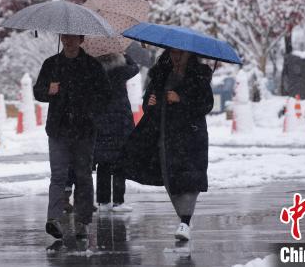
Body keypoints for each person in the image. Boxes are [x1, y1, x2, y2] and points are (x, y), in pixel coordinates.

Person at [119, 48, 213, 242]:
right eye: (173, 53)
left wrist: (182, 99)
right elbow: (149, 101)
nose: (176, 57)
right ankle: (184, 217)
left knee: (189, 179)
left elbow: (206, 105)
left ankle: (185, 220)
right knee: (170, 178)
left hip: (190, 137)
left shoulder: (199, 76)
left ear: (190, 55)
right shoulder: (161, 73)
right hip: (163, 135)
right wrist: (149, 102)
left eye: (181, 53)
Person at [33, 34, 110, 240]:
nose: (68, 41)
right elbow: (38, 92)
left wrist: (90, 106)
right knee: (58, 175)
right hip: (58, 129)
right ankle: (53, 219)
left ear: (81, 39)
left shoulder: (92, 66)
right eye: (64, 37)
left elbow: (105, 95)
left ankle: (83, 222)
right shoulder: (51, 64)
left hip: (84, 130)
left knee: (83, 175)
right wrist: (49, 89)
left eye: (72, 38)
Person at [94, 53, 139, 213]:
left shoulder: (95, 69)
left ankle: (103, 201)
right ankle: (118, 201)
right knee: (120, 162)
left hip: (101, 121)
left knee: (103, 163)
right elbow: (135, 68)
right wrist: (126, 55)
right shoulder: (121, 70)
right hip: (120, 120)